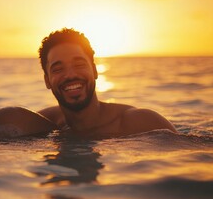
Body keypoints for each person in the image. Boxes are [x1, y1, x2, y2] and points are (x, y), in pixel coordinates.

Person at [38, 28, 177, 138]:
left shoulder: (141, 122)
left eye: (79, 65)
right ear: (47, 81)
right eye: (58, 69)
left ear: (95, 71)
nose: (71, 75)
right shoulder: (45, 123)